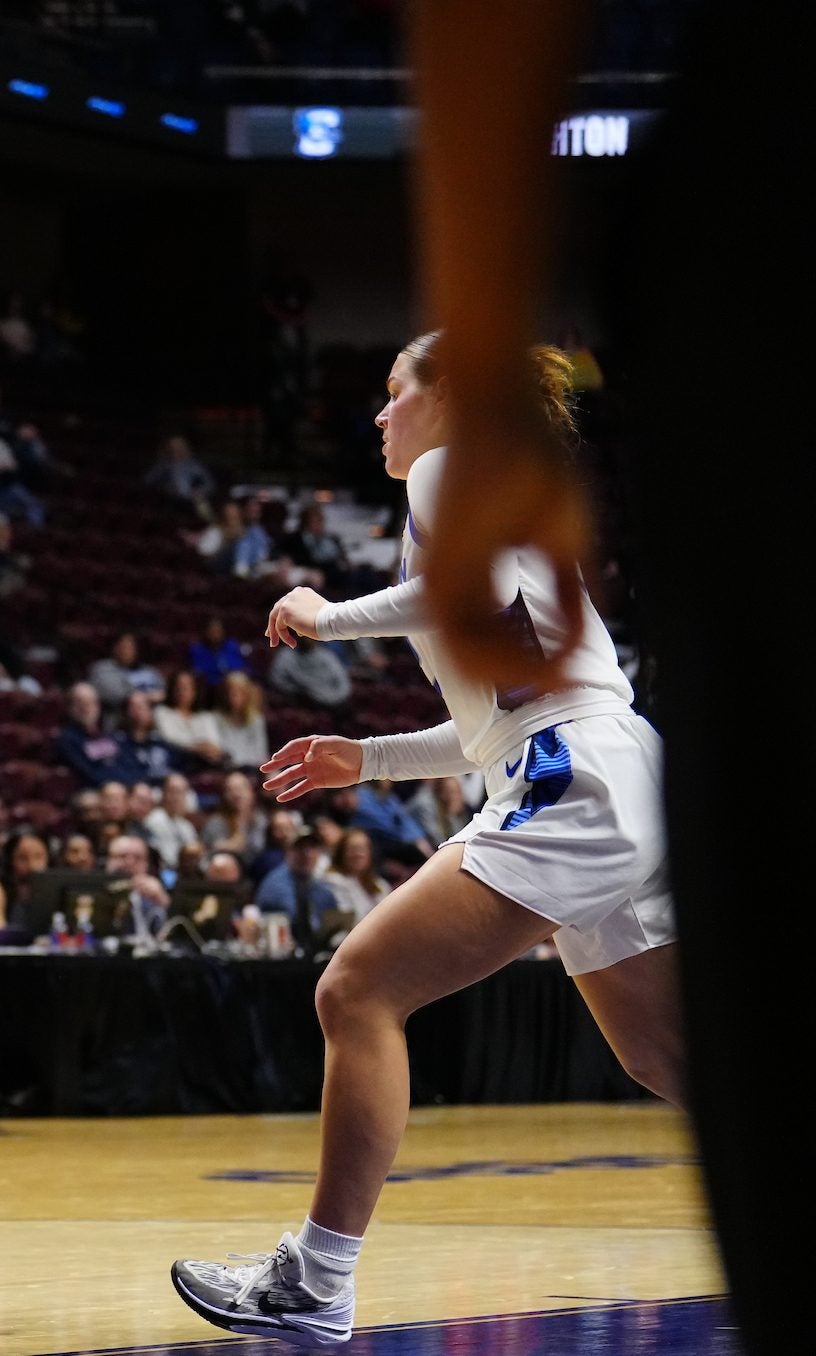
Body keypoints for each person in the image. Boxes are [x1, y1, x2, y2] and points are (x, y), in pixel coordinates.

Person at [173, 337, 682, 1346]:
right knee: (670, 1056)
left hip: (571, 774)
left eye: (394, 392)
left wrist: (323, 616)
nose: (380, 415)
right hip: (608, 765)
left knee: (356, 990)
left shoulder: (457, 473)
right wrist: (365, 760)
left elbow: (473, 643)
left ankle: (316, 1278)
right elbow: (492, 722)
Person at [213, 671, 270, 770]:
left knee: (275, 776)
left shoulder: (256, 719)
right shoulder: (217, 718)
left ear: (247, 694)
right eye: (231, 692)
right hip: (229, 768)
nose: (233, 697)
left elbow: (261, 752)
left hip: (253, 767)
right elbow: (221, 751)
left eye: (238, 692)